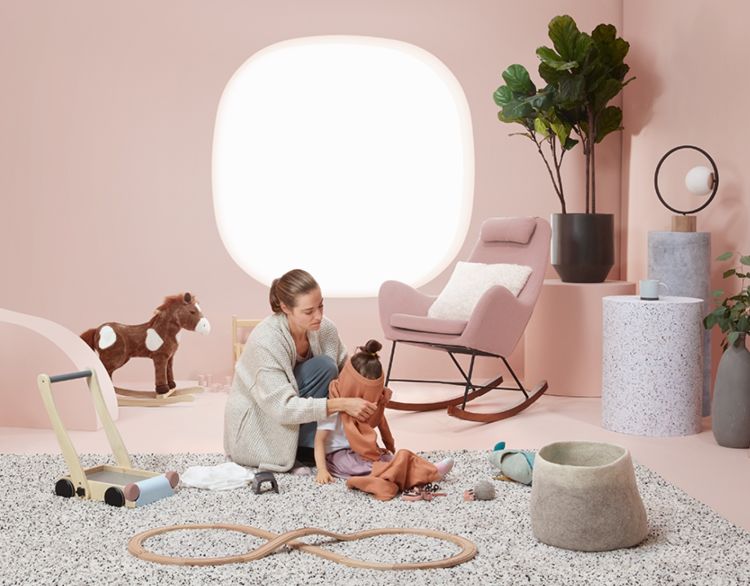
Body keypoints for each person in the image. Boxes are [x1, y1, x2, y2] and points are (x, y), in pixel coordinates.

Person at [224, 269, 376, 473]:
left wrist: (370, 389)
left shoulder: (325, 328)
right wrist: (343, 404)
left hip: (295, 408)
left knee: (327, 367)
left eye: (321, 306)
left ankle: (307, 447)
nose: (319, 316)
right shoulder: (266, 341)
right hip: (259, 420)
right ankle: (300, 450)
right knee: (324, 367)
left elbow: (345, 374)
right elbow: (282, 408)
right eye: (309, 311)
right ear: (285, 308)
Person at [314, 339, 454, 484]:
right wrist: (322, 470)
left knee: (389, 458)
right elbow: (319, 440)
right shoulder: (334, 406)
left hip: (364, 450)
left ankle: (431, 469)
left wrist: (388, 447)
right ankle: (418, 475)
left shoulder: (372, 405)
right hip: (339, 455)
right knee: (365, 467)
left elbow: (381, 422)